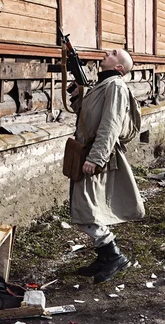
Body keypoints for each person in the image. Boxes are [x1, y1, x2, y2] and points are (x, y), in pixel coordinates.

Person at [68, 48, 144, 284]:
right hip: (87, 151)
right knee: (86, 208)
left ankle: (113, 256)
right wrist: (78, 93)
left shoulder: (116, 86)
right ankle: (104, 257)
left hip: (99, 155)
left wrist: (96, 158)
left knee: (86, 211)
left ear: (119, 67)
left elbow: (111, 124)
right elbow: (83, 114)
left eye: (113, 53)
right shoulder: (102, 85)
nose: (106, 53)